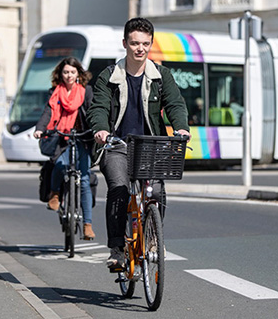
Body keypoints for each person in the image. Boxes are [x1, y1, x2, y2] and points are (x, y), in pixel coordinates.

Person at [87, 17, 191, 270]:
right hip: (116, 144)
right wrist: (100, 129)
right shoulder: (109, 76)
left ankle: (153, 238)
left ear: (151, 44)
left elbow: (175, 103)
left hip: (150, 145)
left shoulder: (161, 75)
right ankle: (117, 249)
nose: (140, 49)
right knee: (119, 188)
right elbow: (98, 106)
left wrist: (181, 127)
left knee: (155, 191)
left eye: (145, 44)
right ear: (125, 43)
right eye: (134, 43)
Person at [33, 56, 96, 240]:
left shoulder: (86, 92)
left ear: (78, 74)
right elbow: (48, 112)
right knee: (59, 165)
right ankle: (55, 194)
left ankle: (87, 225)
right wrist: (40, 129)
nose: (69, 75)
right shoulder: (55, 92)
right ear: (61, 74)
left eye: (72, 72)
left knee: (84, 179)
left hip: (82, 138)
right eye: (66, 72)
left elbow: (92, 113)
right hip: (61, 137)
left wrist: (97, 130)